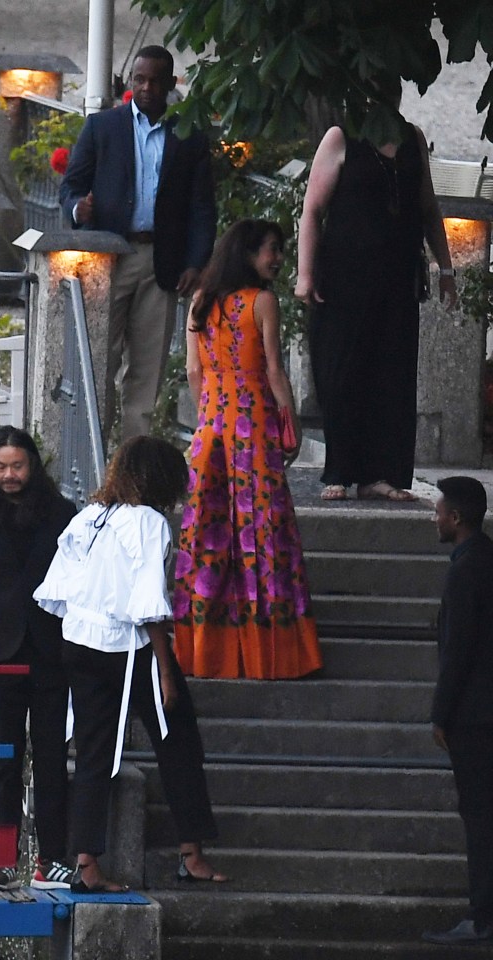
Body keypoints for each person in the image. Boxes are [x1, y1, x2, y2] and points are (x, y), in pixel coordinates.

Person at [34, 436, 226, 892]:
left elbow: (60, 585)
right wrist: (164, 671)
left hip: (79, 640)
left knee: (95, 752)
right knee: (177, 737)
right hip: (127, 645)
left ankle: (86, 865)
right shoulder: (149, 523)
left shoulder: (90, 516)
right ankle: (191, 854)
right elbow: (148, 605)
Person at [295, 78, 457, 502]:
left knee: (392, 372)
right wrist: (305, 274)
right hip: (345, 277)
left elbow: (427, 206)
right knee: (343, 370)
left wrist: (446, 268)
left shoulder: (412, 139)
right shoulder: (340, 137)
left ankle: (382, 473)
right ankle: (341, 471)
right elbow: (312, 209)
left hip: (398, 277)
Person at [173, 219, 322, 680]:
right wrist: (290, 420)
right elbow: (275, 371)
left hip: (211, 428)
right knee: (262, 531)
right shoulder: (262, 302)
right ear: (247, 253)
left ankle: (203, 650)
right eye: (271, 250)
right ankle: (270, 652)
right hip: (254, 426)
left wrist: (210, 416)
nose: (277, 259)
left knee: (209, 533)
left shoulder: (198, 300)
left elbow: (193, 373)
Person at [60, 45, 217, 444]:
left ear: (169, 84)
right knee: (100, 361)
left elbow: (202, 208)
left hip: (159, 263)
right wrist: (79, 208)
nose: (145, 88)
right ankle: (94, 456)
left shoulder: (189, 137)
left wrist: (196, 262)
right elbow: (71, 187)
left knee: (147, 372)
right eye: (139, 79)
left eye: (154, 81)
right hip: (108, 256)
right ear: (131, 81)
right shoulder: (102, 128)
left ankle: (132, 466)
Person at [0, 427, 76, 891]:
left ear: (32, 467)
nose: (9, 475)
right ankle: (1, 860)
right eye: (0, 467)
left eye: (17, 466)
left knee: (51, 758)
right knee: (6, 758)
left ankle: (53, 858)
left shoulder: (63, 515)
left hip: (50, 653)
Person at [422, 476, 493, 945]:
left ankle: (482, 916)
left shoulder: (467, 569)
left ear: (457, 518)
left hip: (473, 715)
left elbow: (459, 650)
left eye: (440, 511)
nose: (436, 518)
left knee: (479, 815)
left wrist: (439, 713)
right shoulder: (485, 558)